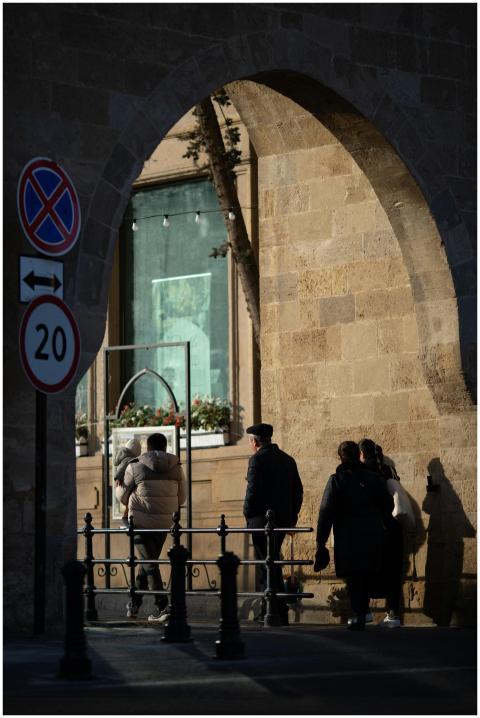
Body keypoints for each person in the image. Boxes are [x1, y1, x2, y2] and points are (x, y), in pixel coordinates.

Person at [315, 441, 393, 630]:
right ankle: (362, 612)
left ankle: (360, 613)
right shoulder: (373, 478)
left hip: (348, 536)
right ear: (358, 455)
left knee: (354, 576)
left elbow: (326, 512)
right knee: (365, 573)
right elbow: (388, 505)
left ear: (340, 457)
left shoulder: (336, 480)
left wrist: (321, 542)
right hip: (371, 533)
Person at [116, 432, 186, 622]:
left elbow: (121, 496)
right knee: (148, 563)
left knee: (149, 564)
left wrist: (118, 486)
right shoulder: (176, 467)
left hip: (140, 522)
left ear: (147, 448)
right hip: (165, 522)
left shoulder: (135, 466)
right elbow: (183, 497)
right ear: (165, 447)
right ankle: (134, 605)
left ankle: (163, 606)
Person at [243, 423, 303, 625]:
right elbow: (298, 491)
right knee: (272, 561)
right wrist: (291, 516)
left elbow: (252, 491)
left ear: (255, 441)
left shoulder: (257, 460)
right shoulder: (287, 460)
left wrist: (248, 513)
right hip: (282, 521)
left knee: (266, 564)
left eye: (250, 441)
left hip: (261, 520)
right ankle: (279, 608)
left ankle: (271, 609)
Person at [359, 438, 415, 628]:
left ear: (361, 454)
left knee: (365, 570)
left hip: (370, 530)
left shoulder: (362, 475)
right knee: (392, 572)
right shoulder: (389, 473)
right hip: (392, 530)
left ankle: (365, 611)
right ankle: (393, 614)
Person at [114, 438, 142, 528]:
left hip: (126, 483)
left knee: (128, 506)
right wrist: (118, 477)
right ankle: (127, 523)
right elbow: (122, 468)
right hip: (125, 483)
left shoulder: (126, 457)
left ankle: (128, 522)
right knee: (128, 507)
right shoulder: (129, 459)